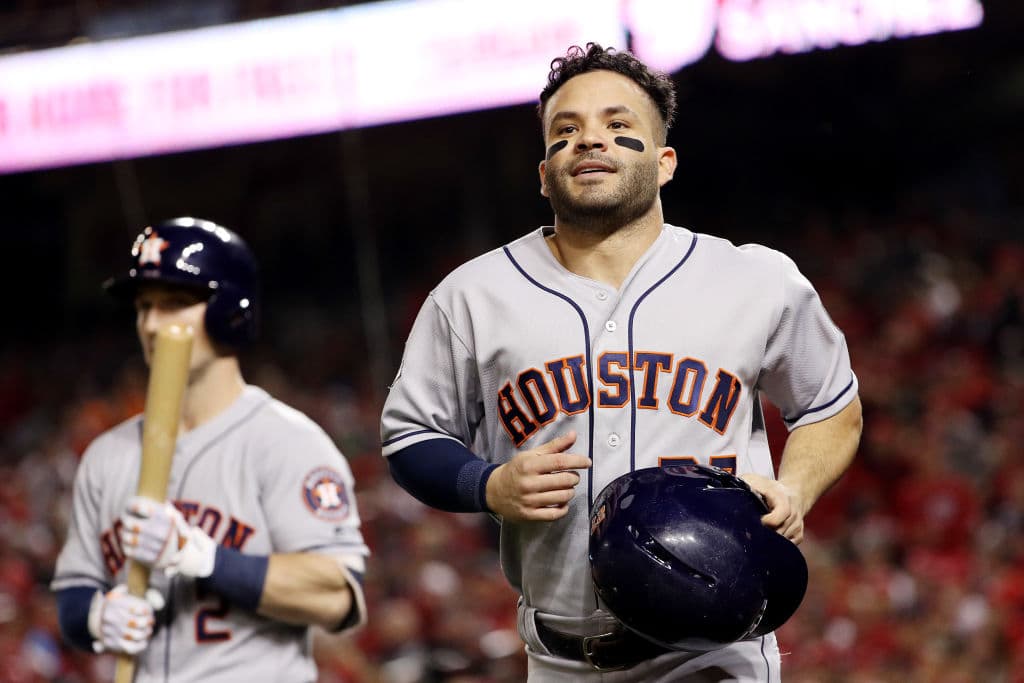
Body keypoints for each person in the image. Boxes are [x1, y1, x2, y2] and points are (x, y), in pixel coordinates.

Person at [380, 43, 863, 681]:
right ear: (544, 172)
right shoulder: (472, 296)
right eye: (566, 131)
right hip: (561, 658)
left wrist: (795, 488)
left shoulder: (753, 278)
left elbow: (832, 408)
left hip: (715, 651)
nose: (589, 140)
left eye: (617, 125)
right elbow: (411, 435)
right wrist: (487, 485)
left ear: (664, 164)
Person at [51, 217, 369, 682]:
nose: (153, 324)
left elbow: (337, 597)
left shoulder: (286, 443)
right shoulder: (105, 456)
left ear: (229, 312)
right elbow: (74, 593)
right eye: (144, 307)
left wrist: (200, 555)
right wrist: (98, 615)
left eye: (175, 304)